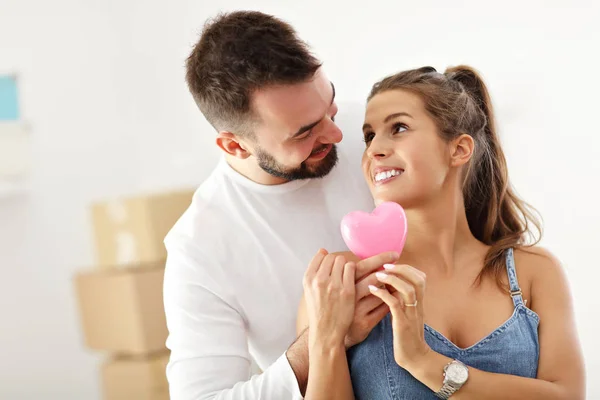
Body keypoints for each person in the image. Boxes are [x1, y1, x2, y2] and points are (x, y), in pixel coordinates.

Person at [298, 65, 586, 399]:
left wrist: (423, 362)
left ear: (459, 149)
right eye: (369, 136)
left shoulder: (533, 271)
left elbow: (568, 395)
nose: (374, 149)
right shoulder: (341, 281)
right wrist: (325, 340)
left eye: (399, 127)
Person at [162, 10, 396, 399]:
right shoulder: (200, 246)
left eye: (331, 106)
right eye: (305, 132)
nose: (337, 133)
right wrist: (324, 337)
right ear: (234, 145)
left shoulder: (375, 130)